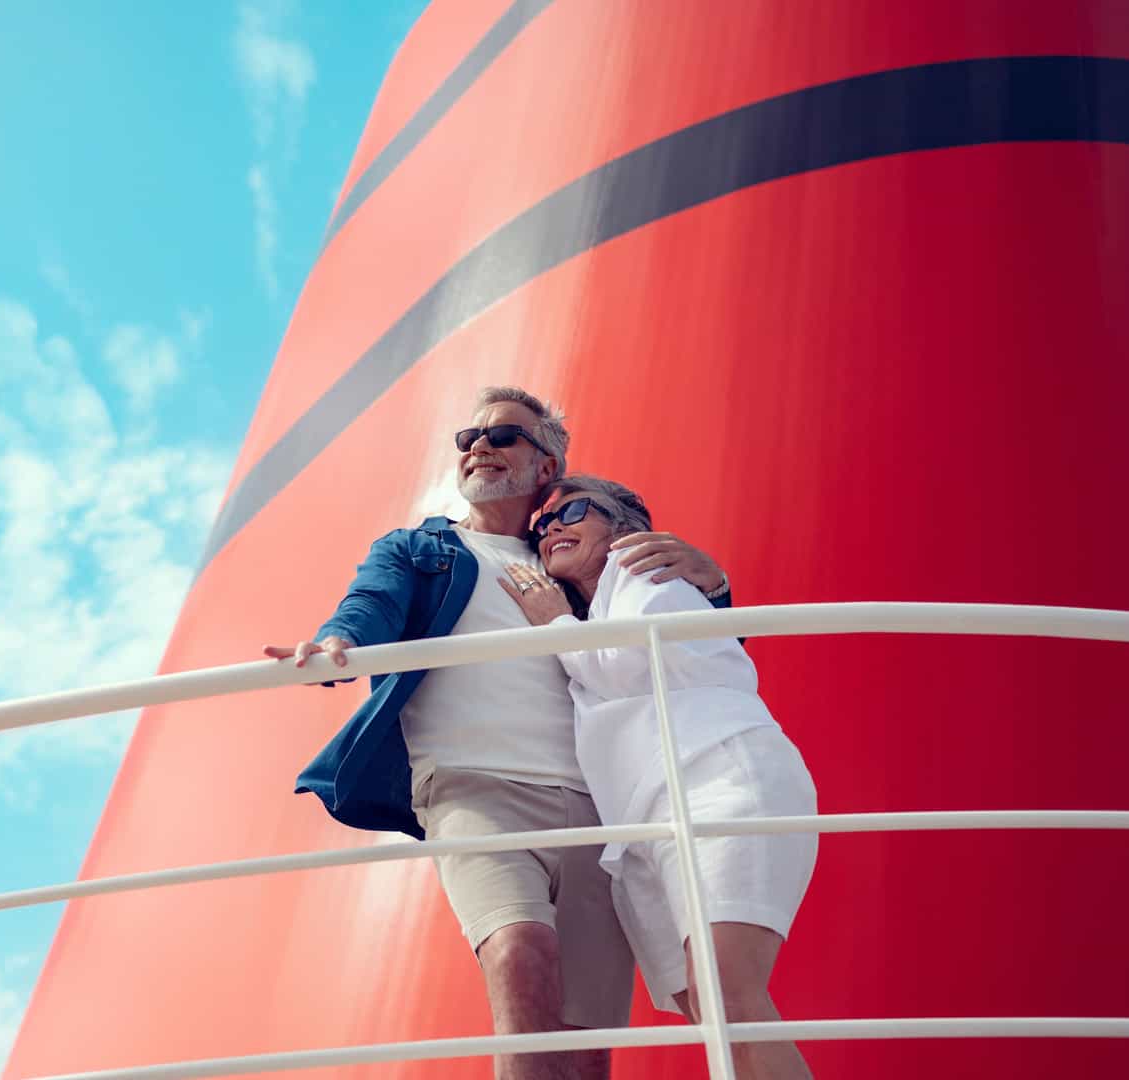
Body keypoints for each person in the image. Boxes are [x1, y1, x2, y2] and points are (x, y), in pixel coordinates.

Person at [263, 388, 733, 1080]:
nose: (477, 446)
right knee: (517, 952)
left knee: (582, 1047)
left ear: (546, 467)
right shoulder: (421, 549)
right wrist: (342, 638)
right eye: (467, 437)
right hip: (472, 787)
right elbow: (371, 601)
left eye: (504, 435)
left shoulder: (568, 563)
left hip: (596, 802)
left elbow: (690, 648)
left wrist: (715, 586)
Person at [499, 475, 817, 1080]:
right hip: (658, 812)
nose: (552, 529)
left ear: (621, 526)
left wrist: (553, 624)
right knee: (715, 1009)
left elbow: (634, 665)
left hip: (719, 775)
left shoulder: (645, 567)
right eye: (541, 527)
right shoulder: (598, 609)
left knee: (730, 998)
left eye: (573, 512)